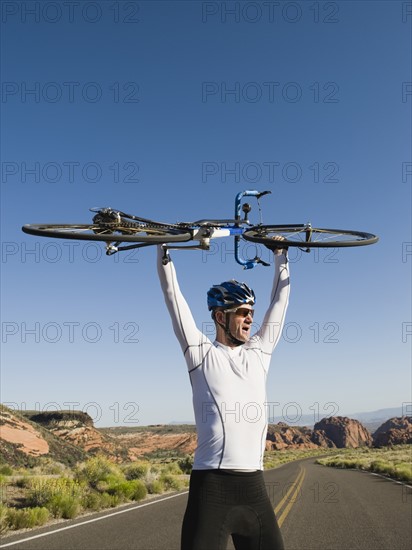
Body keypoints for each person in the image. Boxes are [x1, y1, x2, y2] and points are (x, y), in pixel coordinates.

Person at [157, 239, 290, 550]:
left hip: (254, 490)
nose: (250, 319)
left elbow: (280, 301)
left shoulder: (260, 353)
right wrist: (163, 251)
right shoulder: (201, 354)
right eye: (242, 312)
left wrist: (280, 255)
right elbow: (173, 298)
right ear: (220, 317)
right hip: (211, 491)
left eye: (251, 313)